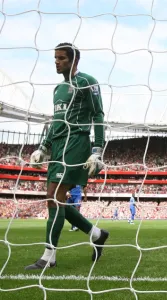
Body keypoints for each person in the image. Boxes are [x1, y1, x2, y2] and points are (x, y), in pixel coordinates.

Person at [26, 42, 109, 270]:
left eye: (61, 58)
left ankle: (49, 256)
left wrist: (97, 150)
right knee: (55, 199)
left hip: (77, 143)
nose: (56, 62)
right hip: (58, 147)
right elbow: (56, 122)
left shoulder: (87, 82)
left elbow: (98, 114)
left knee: (54, 195)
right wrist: (43, 147)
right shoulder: (58, 90)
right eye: (55, 58)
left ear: (73, 60)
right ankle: (96, 234)